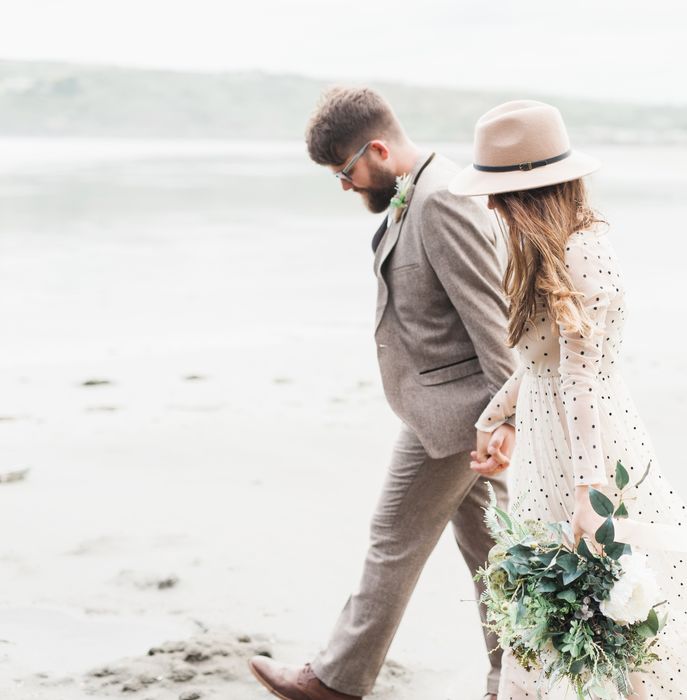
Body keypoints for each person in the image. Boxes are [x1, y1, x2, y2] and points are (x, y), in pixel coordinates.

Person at [449, 99, 687, 698]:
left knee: (617, 600)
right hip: (548, 440)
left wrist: (590, 492)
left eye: (498, 191)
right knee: (551, 603)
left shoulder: (585, 250)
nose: (490, 205)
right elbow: (540, 366)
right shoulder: (543, 246)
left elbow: (583, 379)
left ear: (535, 192)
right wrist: (494, 421)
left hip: (588, 444)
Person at [248, 87, 518, 700]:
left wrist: (502, 421)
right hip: (451, 411)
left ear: (377, 148)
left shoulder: (442, 200)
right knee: (497, 556)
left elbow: (492, 321)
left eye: (346, 172)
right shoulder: (415, 192)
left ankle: (336, 681)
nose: (343, 186)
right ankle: (515, 680)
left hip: (456, 418)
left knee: (392, 541)